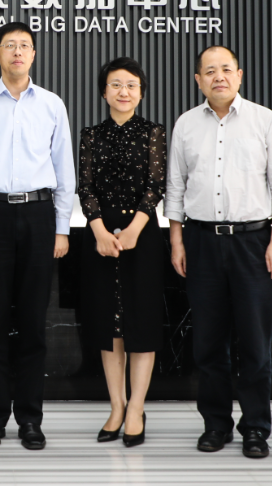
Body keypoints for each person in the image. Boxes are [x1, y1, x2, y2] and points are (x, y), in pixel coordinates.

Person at [166, 45, 272, 459]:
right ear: (197, 80)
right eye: (209, 71)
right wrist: (177, 241)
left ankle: (255, 428)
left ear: (239, 75)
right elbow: (175, 187)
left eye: (225, 69)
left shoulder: (264, 120)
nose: (218, 76)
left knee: (255, 342)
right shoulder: (186, 124)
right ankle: (216, 424)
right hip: (201, 241)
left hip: (253, 242)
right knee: (208, 342)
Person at [0, 21, 75, 451]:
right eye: (10, 45)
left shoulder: (52, 105)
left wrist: (61, 227)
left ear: (34, 54)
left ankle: (29, 419)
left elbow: (64, 170)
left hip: (39, 215)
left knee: (32, 323)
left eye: (25, 45)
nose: (18, 52)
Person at [77, 57, 166, 448]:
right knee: (107, 325)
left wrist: (133, 230)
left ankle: (136, 409)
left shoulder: (153, 132)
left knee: (140, 324)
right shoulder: (91, 135)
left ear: (141, 92)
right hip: (99, 238)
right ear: (104, 92)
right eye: (115, 84)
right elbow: (85, 187)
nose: (123, 91)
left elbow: (156, 185)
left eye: (131, 85)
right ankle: (116, 406)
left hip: (141, 235)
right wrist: (98, 230)